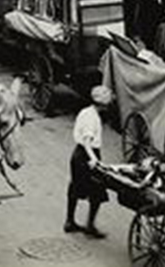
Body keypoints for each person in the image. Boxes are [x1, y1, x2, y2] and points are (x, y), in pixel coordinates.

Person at [65, 85, 112, 238]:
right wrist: (93, 159)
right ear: (102, 104)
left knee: (76, 187)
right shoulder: (92, 117)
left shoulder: (87, 112)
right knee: (97, 191)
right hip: (86, 155)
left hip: (79, 154)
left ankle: (70, 222)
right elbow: (87, 140)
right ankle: (89, 225)